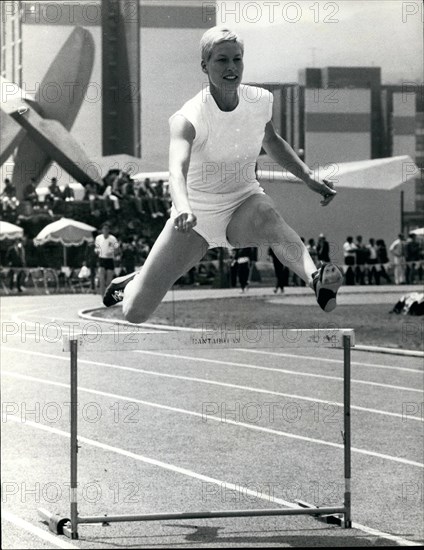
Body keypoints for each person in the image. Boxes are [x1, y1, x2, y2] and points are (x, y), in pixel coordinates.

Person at [103, 26, 343, 320]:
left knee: (270, 217)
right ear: (205, 66)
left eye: (237, 59)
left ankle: (315, 279)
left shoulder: (259, 102)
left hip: (244, 203)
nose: (231, 68)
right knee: (134, 313)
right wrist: (183, 209)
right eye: (221, 60)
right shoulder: (188, 117)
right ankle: (133, 282)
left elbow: (271, 140)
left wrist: (307, 176)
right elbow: (176, 171)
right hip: (195, 220)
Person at [95, 223, 119, 297]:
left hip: (109, 259)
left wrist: (112, 252)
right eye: (104, 229)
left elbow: (117, 249)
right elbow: (96, 248)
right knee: (101, 278)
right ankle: (102, 296)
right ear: (102, 230)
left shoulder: (113, 238)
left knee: (109, 280)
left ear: (109, 230)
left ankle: (108, 296)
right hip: (101, 259)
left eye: (107, 229)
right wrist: (96, 251)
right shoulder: (98, 238)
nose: (105, 230)